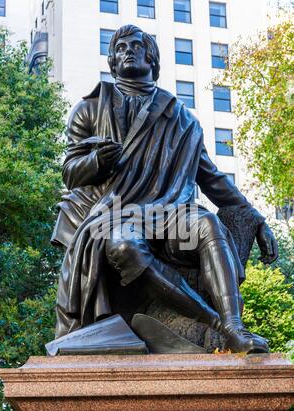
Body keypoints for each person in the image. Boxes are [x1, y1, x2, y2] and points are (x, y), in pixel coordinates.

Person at [51, 25, 278, 353]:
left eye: (136, 46)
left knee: (207, 224)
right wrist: (97, 161)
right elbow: (70, 174)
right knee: (123, 246)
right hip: (115, 214)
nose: (128, 51)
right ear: (112, 61)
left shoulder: (182, 118)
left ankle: (234, 325)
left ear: (151, 57)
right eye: (120, 48)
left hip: (169, 212)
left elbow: (211, 178)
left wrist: (255, 217)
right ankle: (213, 321)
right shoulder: (89, 108)